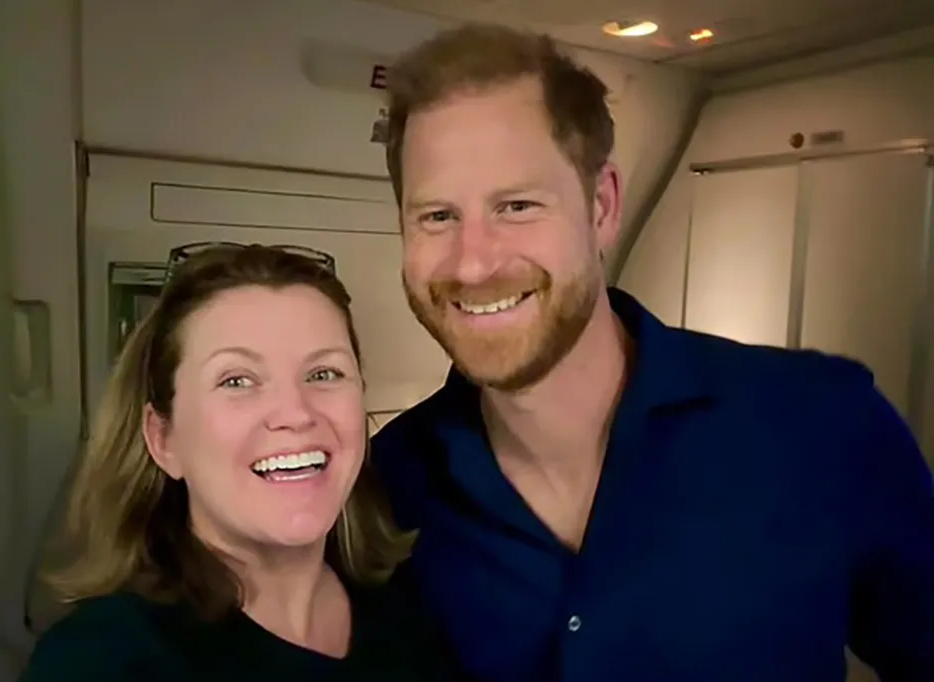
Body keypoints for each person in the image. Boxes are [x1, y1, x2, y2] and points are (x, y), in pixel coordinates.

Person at [370, 22, 934, 682]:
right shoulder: (387, 487)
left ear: (602, 206)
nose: (473, 264)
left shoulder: (823, 424)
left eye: (517, 205)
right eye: (437, 216)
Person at [18, 243, 463, 682]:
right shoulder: (100, 660)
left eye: (324, 374)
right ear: (164, 438)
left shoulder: (411, 623)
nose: (296, 413)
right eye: (237, 380)